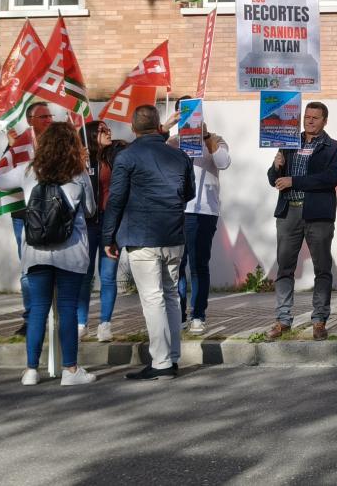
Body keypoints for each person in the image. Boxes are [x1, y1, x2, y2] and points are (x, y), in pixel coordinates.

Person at [0, 122, 97, 386]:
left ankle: (31, 370)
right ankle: (70, 370)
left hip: (36, 250)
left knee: (38, 308)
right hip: (70, 251)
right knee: (68, 308)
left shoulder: (30, 170)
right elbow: (90, 210)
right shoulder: (79, 173)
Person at [102, 104, 195, 380]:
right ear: (158, 126)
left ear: (133, 128)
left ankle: (162, 363)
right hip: (173, 234)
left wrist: (108, 236)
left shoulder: (127, 157)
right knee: (170, 296)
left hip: (142, 237)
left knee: (153, 299)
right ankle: (172, 358)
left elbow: (116, 199)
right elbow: (188, 193)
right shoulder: (180, 155)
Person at [266, 102, 337, 341]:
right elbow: (274, 180)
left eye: (315, 118)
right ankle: (283, 320)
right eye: (307, 117)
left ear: (325, 121)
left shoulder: (333, 148)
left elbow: (329, 179)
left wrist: (294, 181)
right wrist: (276, 167)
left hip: (318, 215)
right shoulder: (288, 143)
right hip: (288, 212)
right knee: (284, 268)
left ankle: (319, 320)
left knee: (322, 268)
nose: (309, 121)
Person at [169, 102, 231, 336]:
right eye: (183, 114)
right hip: (176, 210)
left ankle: (198, 315)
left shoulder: (216, 139)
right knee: (176, 266)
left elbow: (223, 162)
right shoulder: (172, 143)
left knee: (198, 265)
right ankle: (179, 315)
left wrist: (205, 137)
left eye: (193, 112)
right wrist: (167, 130)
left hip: (203, 211)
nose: (189, 118)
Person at [8, 100, 56, 334]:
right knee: (28, 269)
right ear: (30, 121)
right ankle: (31, 319)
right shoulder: (16, 145)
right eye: (43, 117)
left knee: (56, 267)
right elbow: (4, 178)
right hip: (24, 215)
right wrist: (13, 149)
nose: (49, 120)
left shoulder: (58, 143)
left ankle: (56, 317)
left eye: (50, 116)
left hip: (53, 216)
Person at [77, 121, 127, 342]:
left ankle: (105, 324)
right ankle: (81, 323)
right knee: (84, 276)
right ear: (90, 135)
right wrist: (78, 162)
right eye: (102, 130)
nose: (109, 132)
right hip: (86, 223)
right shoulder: (79, 158)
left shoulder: (116, 153)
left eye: (108, 129)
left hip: (110, 221)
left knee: (108, 275)